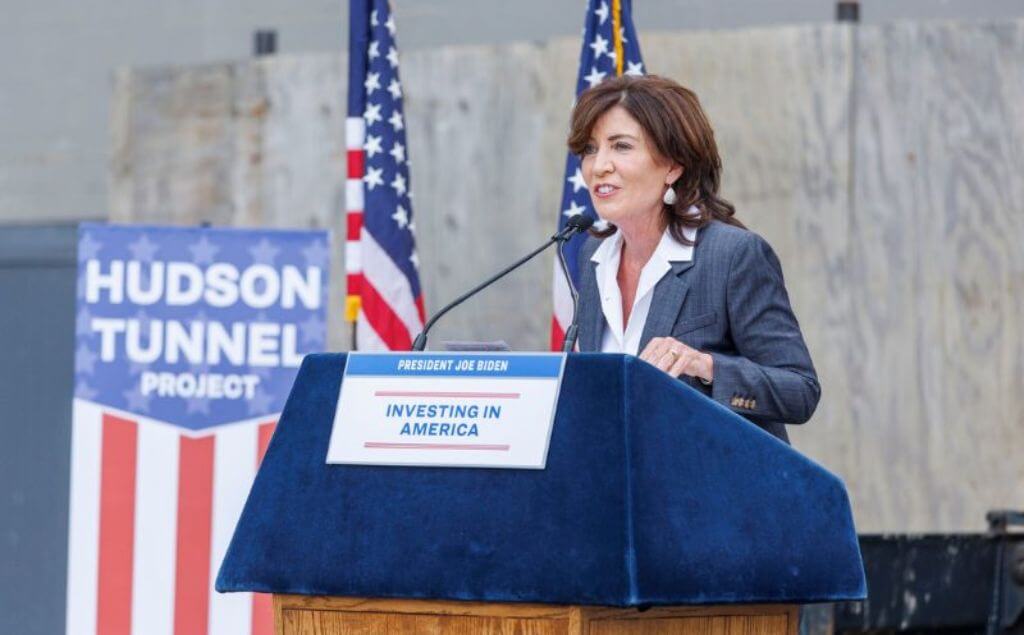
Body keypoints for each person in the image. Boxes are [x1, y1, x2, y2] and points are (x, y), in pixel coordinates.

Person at [569, 74, 819, 443]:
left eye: (621, 146)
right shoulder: (594, 255)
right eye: (590, 149)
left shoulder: (732, 256)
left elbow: (799, 391)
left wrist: (704, 366)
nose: (599, 166)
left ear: (673, 165)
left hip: (714, 488)